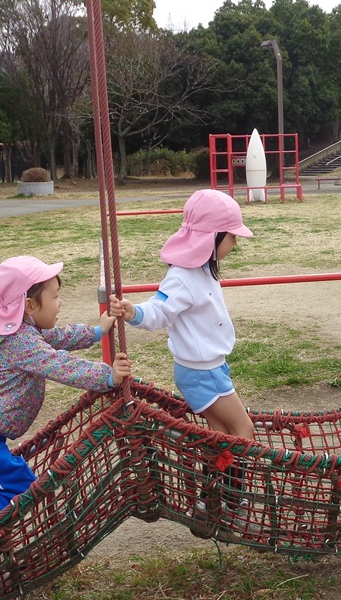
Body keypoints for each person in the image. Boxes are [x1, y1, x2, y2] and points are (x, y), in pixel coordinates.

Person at [0, 255, 132, 553]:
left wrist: (96, 331)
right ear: (29, 305)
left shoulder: (16, 331)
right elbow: (59, 364)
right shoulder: (20, 342)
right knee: (18, 490)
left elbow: (55, 337)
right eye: (55, 296)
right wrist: (108, 376)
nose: (60, 302)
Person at [108, 189, 256, 524]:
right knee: (243, 431)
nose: (235, 243)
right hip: (201, 373)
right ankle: (235, 503)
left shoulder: (202, 270)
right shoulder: (183, 277)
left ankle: (209, 504)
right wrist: (133, 312)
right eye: (232, 236)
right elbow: (159, 309)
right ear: (211, 237)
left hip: (210, 368)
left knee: (221, 436)